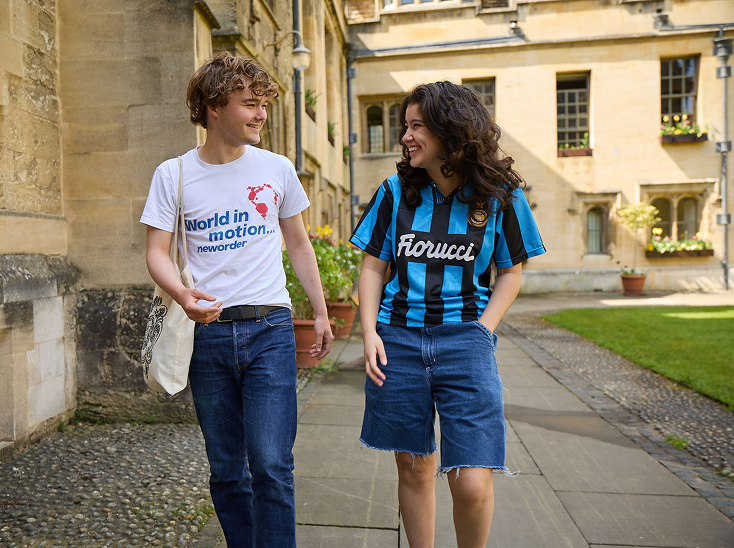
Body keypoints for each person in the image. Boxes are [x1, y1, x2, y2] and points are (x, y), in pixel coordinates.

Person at [140, 51, 333, 548]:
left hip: (270, 328)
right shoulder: (173, 174)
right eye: (250, 104)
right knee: (227, 468)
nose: (262, 115)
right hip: (209, 333)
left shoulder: (277, 168)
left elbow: (298, 242)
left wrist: (321, 310)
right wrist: (183, 295)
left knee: (271, 463)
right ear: (212, 106)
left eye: (263, 104)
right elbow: (156, 252)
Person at [351, 81, 546, 548]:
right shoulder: (394, 192)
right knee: (414, 468)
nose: (406, 137)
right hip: (397, 341)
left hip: (467, 343)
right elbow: (373, 266)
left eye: (417, 126)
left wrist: (483, 331)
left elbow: (510, 273)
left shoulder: (501, 195)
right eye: (406, 126)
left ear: (450, 129)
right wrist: (369, 333)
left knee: (472, 482)